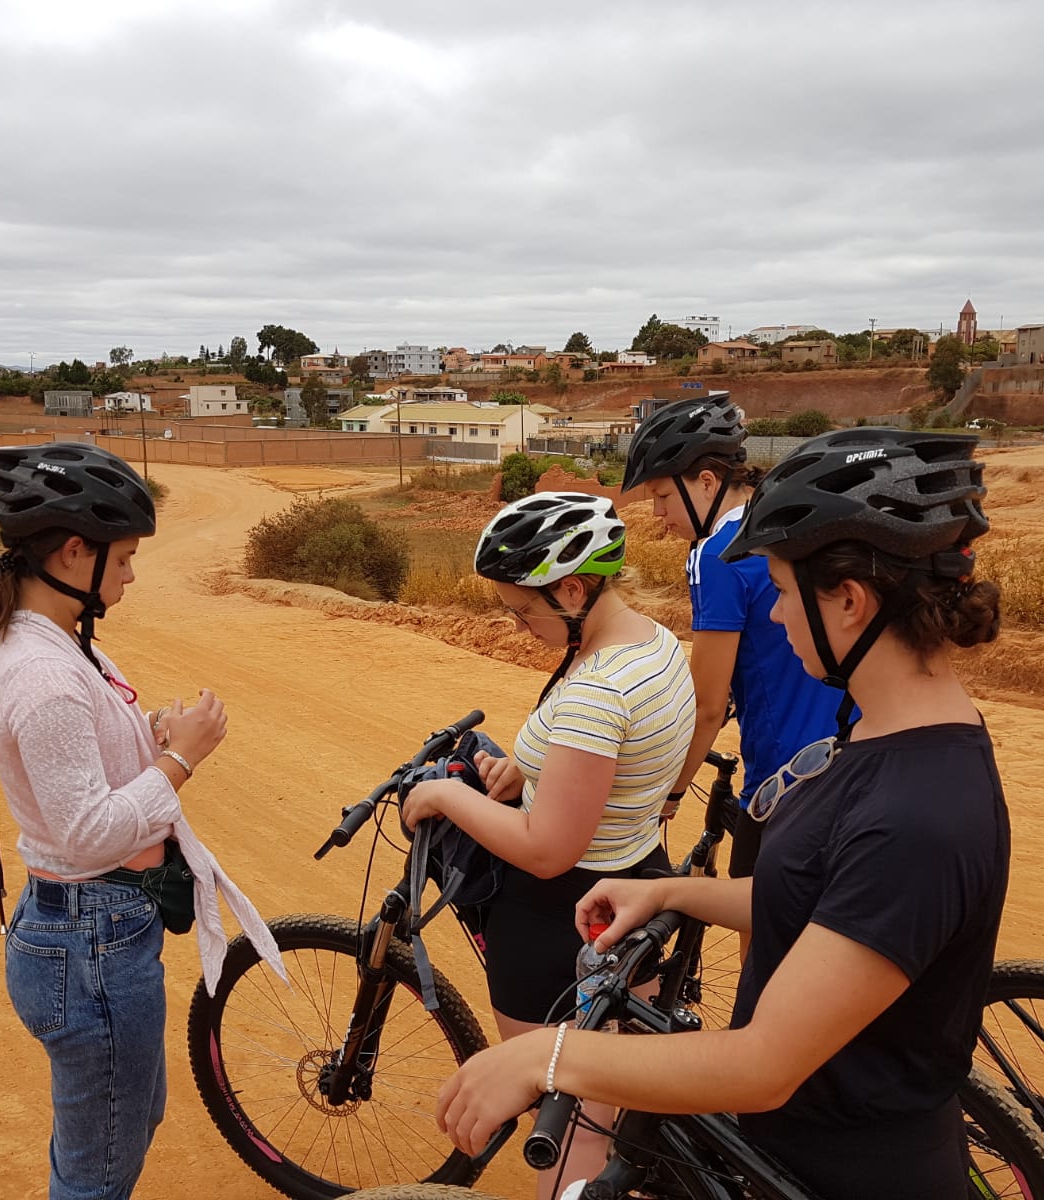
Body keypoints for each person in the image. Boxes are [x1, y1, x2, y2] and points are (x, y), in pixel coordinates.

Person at [431, 429, 1007, 1200]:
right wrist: (673, 893)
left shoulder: (917, 814)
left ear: (850, 601)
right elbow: (827, 904)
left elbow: (764, 1064)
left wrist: (546, 1057)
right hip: (791, 1153)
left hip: (837, 1171)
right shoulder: (883, 740)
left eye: (781, 590)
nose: (775, 617)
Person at [0, 442, 282, 1200]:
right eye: (127, 556)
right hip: (89, 943)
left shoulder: (61, 642)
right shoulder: (45, 674)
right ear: (75, 552)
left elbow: (86, 759)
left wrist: (150, 733)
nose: (133, 575)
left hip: (97, 932)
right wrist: (182, 759)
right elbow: (88, 832)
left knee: (125, 1124)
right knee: (99, 1168)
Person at [399, 491, 695, 1198]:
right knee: (619, 1096)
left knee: (569, 1126)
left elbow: (546, 850)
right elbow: (614, 770)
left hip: (558, 915)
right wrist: (529, 771)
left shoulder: (596, 689)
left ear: (571, 590)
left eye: (522, 611)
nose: (519, 626)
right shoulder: (654, 646)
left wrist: (447, 797)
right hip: (635, 883)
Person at [622, 398, 838, 885]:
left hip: (786, 776)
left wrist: (670, 793)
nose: (657, 513)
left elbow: (707, 707)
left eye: (662, 495)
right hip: (852, 757)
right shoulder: (790, 523)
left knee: (754, 919)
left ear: (706, 482)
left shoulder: (717, 555)